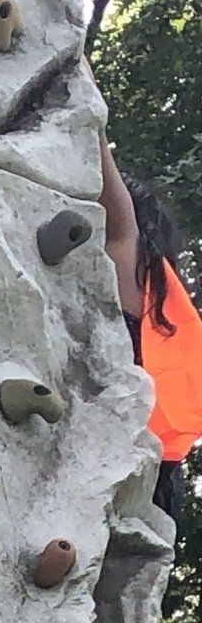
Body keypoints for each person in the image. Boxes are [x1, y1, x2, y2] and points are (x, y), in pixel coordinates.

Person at [99, 133, 202, 519]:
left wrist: (84, 98)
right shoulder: (162, 305)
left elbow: (115, 209)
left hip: (119, 466)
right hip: (159, 480)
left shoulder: (128, 258)